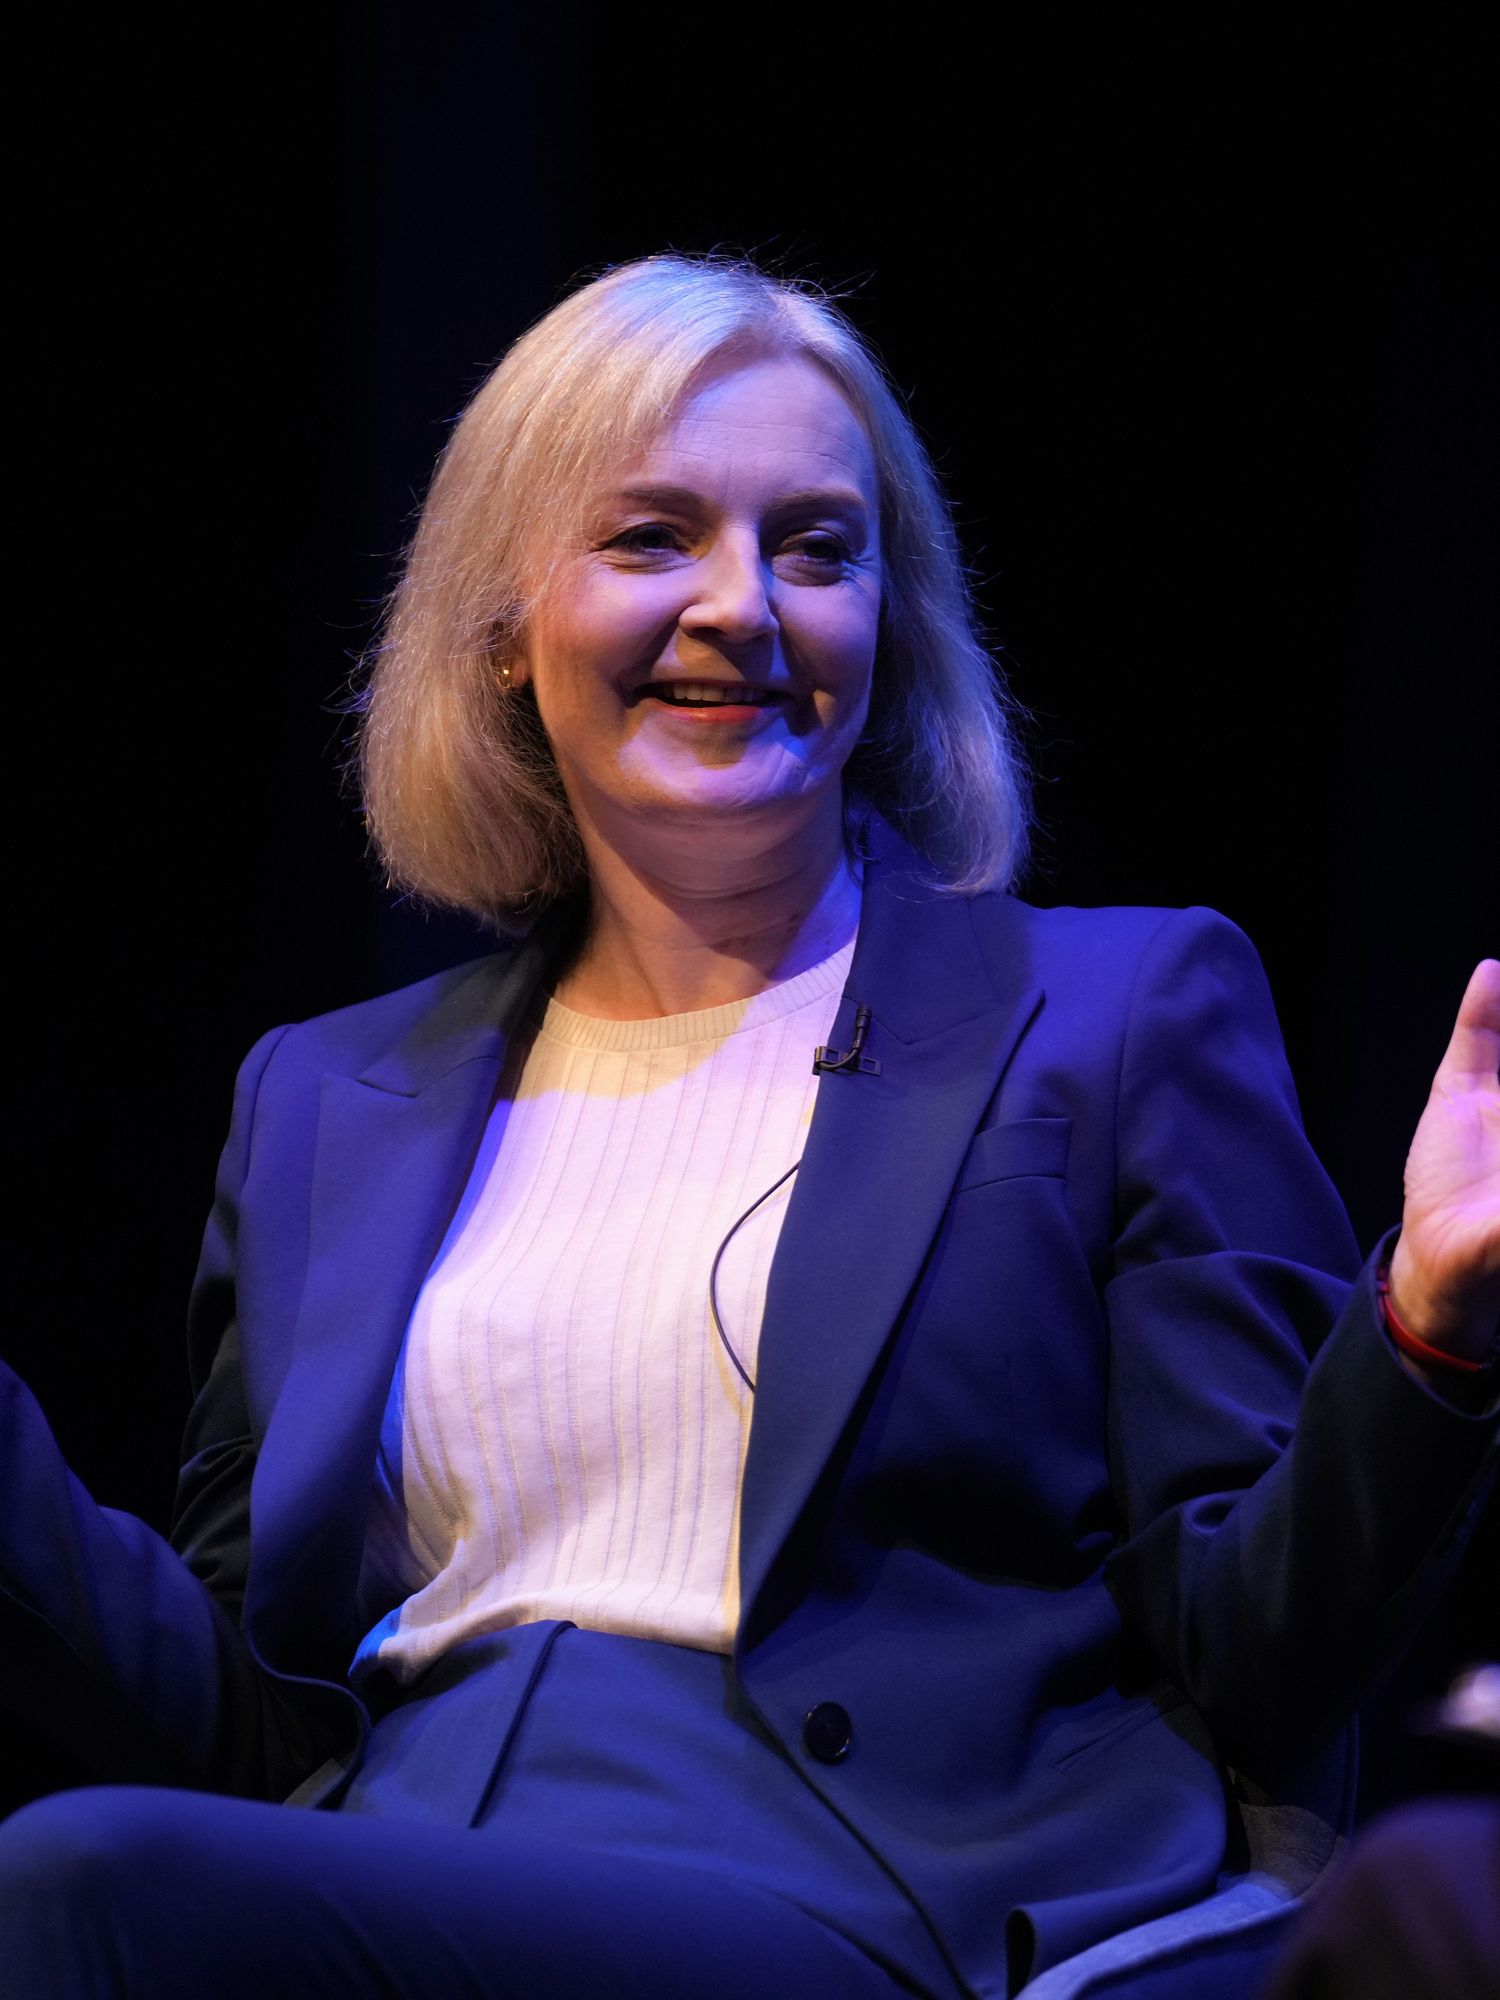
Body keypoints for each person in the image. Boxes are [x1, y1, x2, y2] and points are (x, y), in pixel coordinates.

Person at [0, 254, 1495, 2000]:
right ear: (502, 629)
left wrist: (1430, 1330)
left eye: (815, 546)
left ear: (888, 623)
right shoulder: (323, 1099)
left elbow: (1256, 1647)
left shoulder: (1111, 1016)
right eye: (651, 540)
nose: (743, 608)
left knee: (84, 1880)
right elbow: (249, 1707)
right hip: (401, 1870)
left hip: (863, 1889)